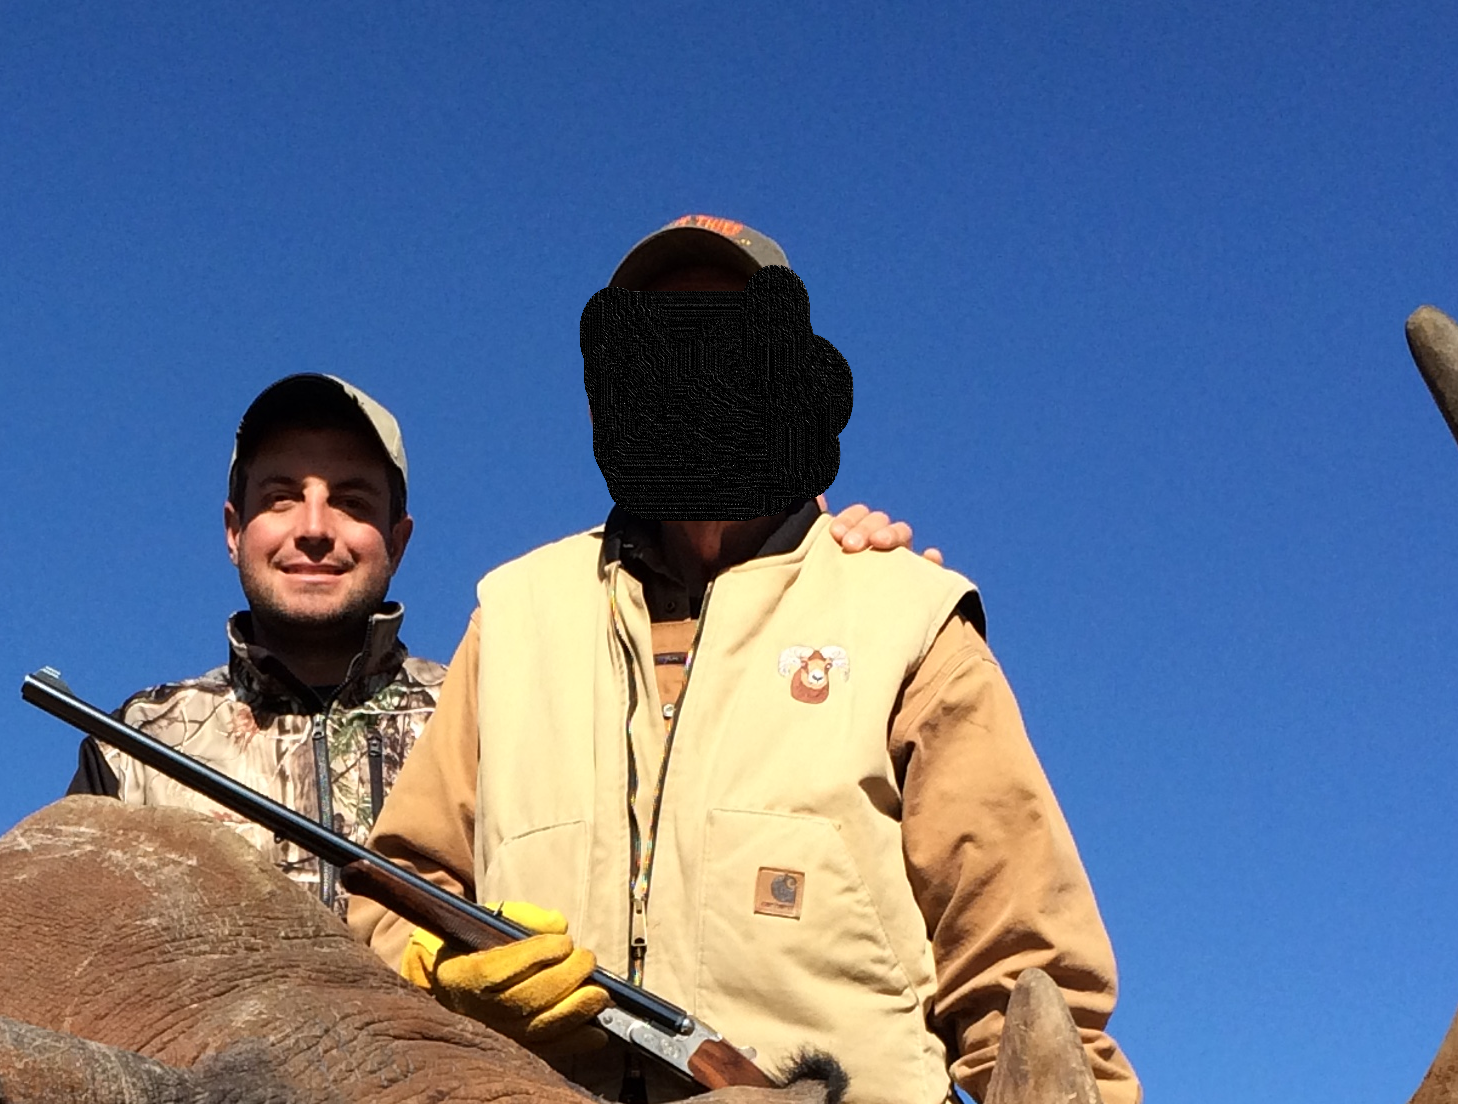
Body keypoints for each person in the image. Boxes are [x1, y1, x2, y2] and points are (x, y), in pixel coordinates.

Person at [348, 217, 1141, 1104]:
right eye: (659, 343)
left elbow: (1030, 983)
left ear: (788, 376)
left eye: (722, 339)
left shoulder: (908, 615)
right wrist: (439, 971)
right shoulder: (516, 612)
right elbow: (393, 889)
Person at [74, 369, 926, 910]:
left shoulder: (503, 710)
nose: (316, 528)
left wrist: (820, 570)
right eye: (280, 498)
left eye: (354, 502)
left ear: (400, 539)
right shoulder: (133, 745)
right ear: (233, 529)